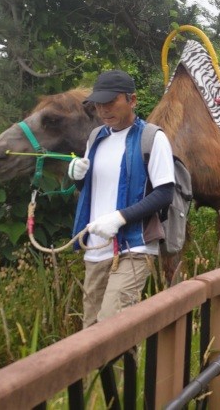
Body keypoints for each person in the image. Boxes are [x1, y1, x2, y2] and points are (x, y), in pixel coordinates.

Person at [67, 70, 175, 328]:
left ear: (132, 100)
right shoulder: (96, 138)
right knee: (90, 331)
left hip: (133, 247)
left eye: (111, 102)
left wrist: (120, 217)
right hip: (95, 249)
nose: (103, 109)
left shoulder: (152, 138)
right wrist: (77, 177)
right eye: (98, 104)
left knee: (111, 327)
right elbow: (90, 188)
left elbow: (164, 193)